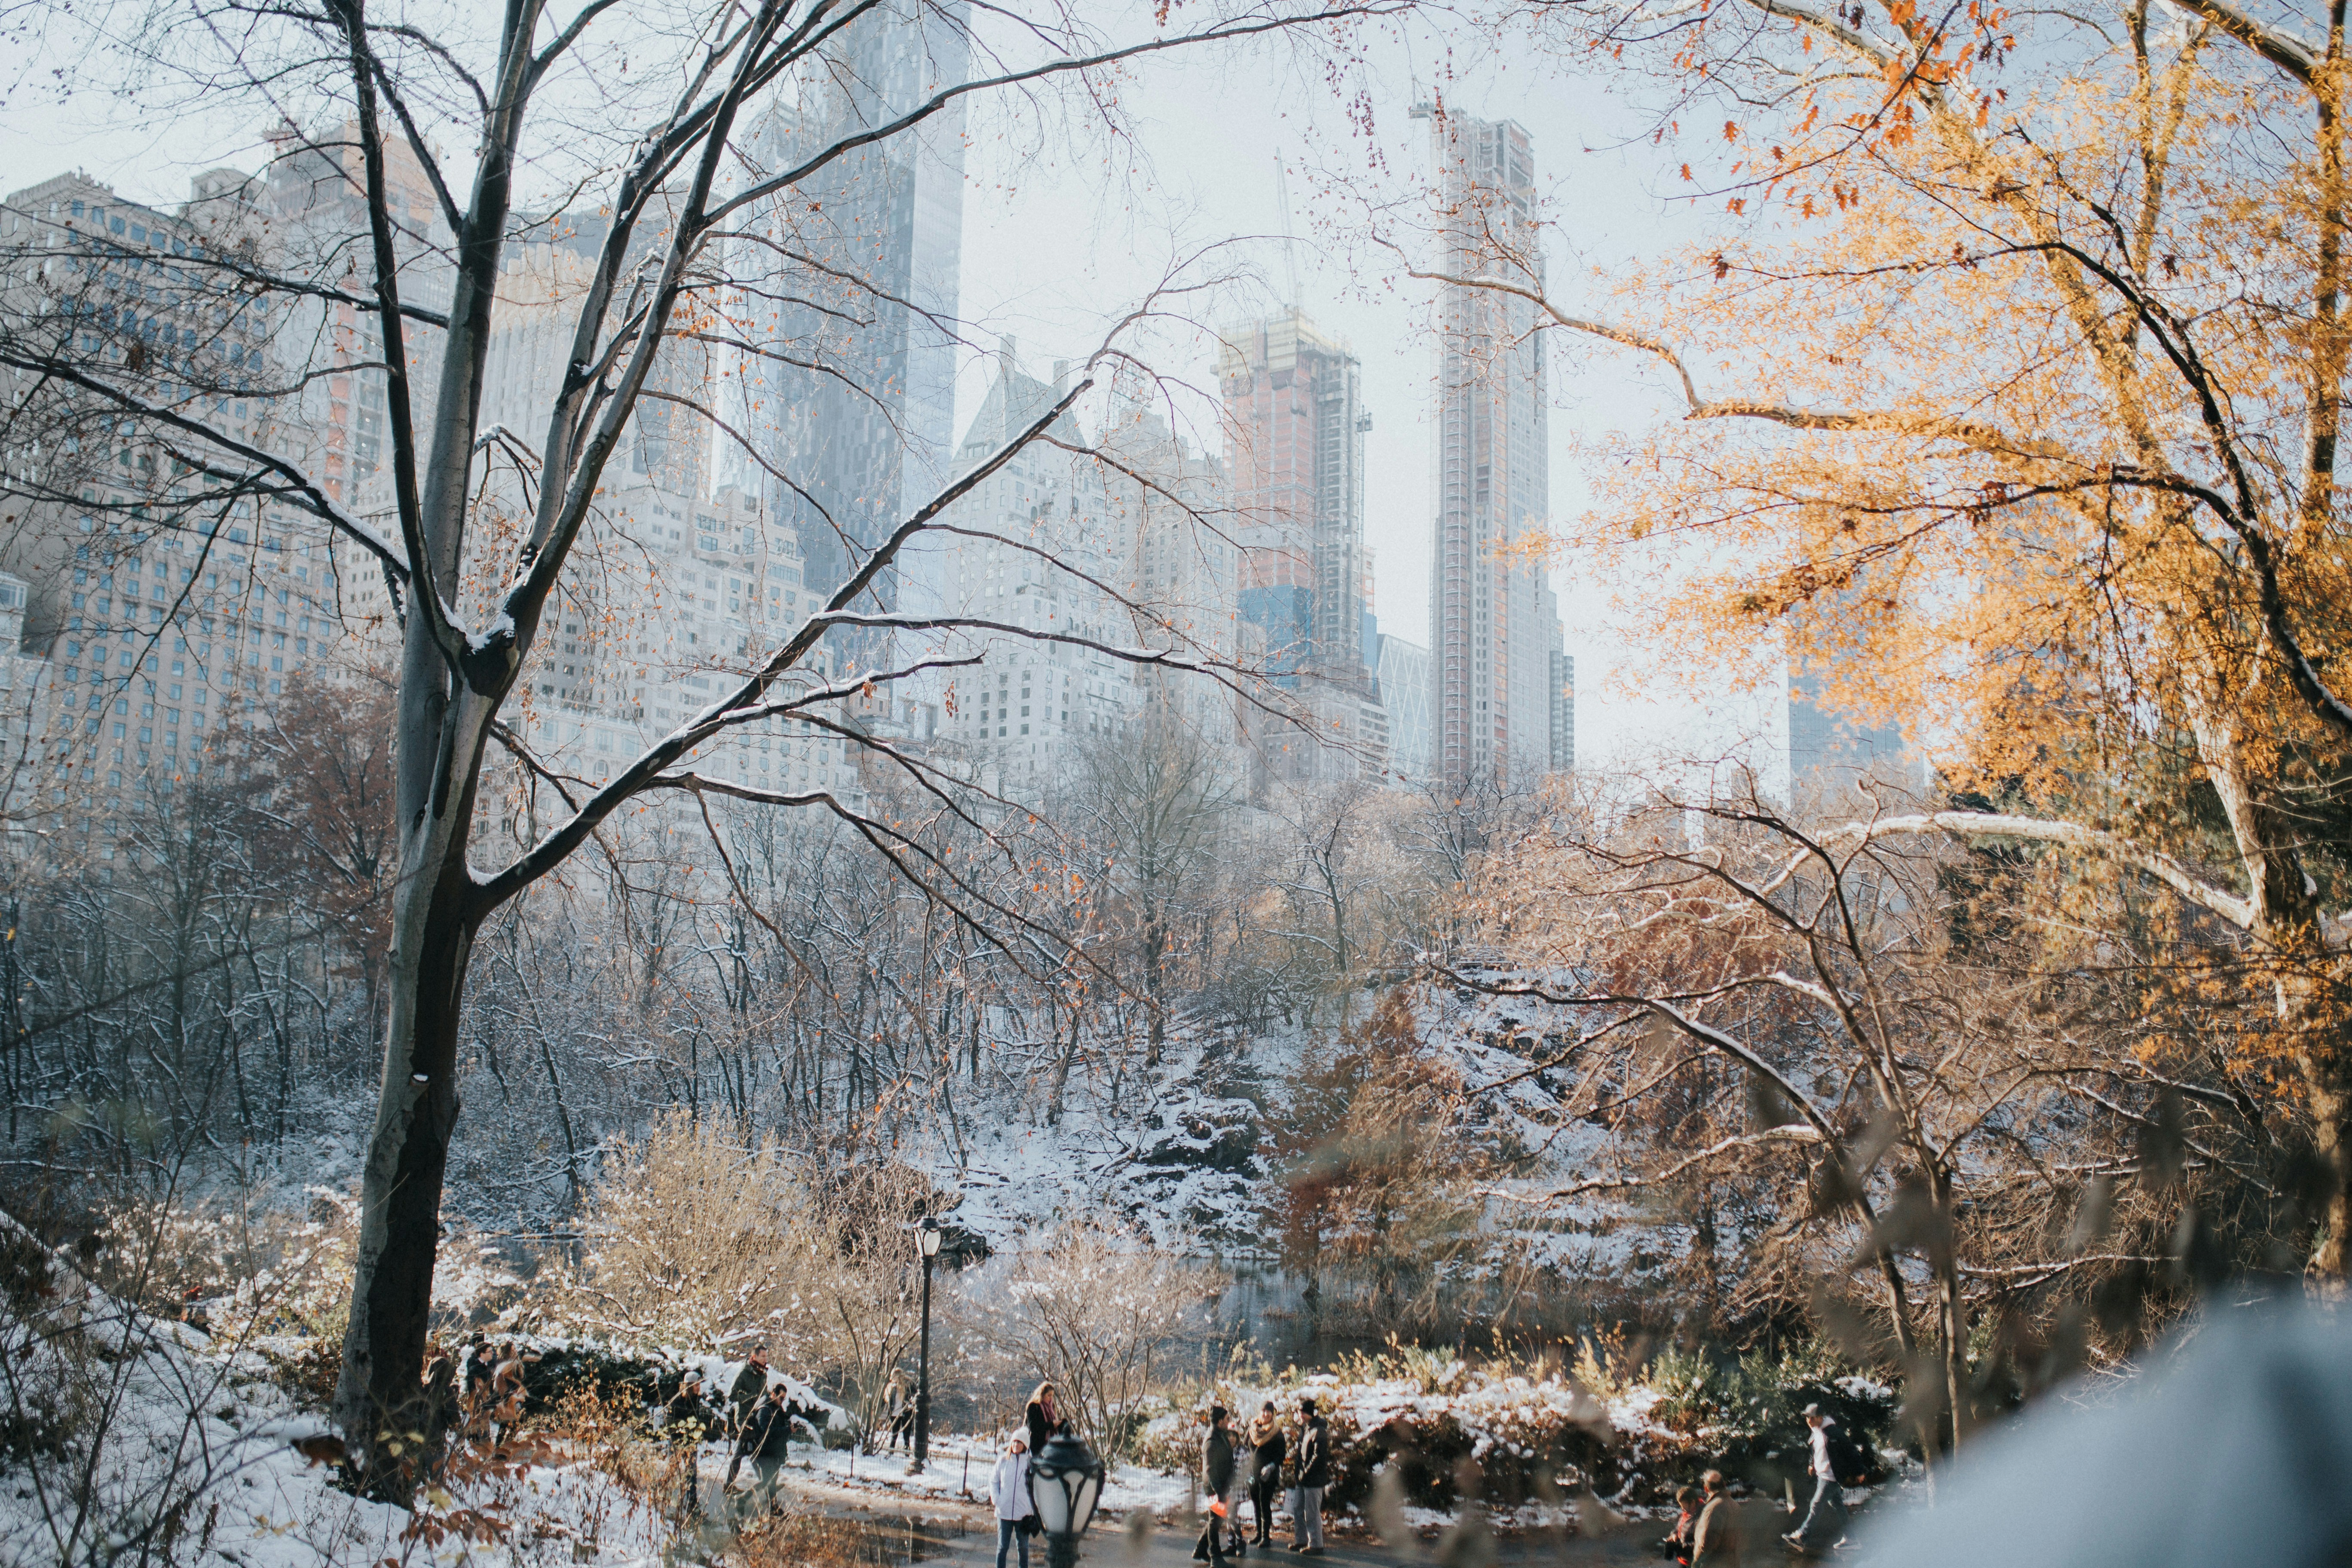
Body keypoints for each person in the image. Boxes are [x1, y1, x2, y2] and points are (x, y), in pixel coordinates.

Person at [1783, 1405, 1849, 1553]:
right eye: (1807, 1417)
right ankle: (1851, 1538)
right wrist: (1811, 1464)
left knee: (1816, 1505)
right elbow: (1816, 1449)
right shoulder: (1817, 1432)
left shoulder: (1832, 1433)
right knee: (1839, 1507)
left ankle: (1802, 1537)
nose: (1809, 1420)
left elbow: (1850, 1450)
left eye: (1812, 1417)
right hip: (1823, 1475)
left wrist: (1859, 1471)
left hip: (1830, 1477)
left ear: (1821, 1418)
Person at [735, 1385, 797, 1513]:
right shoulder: (765, 1409)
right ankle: (742, 1498)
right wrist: (788, 1430)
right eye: (780, 1398)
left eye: (784, 1399)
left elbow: (777, 1426)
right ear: (773, 1394)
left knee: (772, 1481)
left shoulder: (775, 1408)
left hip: (774, 1451)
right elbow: (766, 1431)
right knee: (766, 1480)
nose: (782, 1401)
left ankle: (774, 1508)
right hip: (763, 1451)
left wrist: (789, 1427)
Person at [1194, 1405, 1242, 1563]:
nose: (1230, 1422)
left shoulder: (1219, 1435)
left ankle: (1201, 1550)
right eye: (1227, 1419)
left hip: (1220, 1485)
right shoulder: (1211, 1441)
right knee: (1216, 1521)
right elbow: (1210, 1470)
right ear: (1220, 1420)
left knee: (1215, 1518)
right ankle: (1216, 1558)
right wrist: (1219, 1492)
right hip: (1215, 1487)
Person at [666, 1371, 716, 1518]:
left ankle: (692, 1508)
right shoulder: (677, 1401)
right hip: (678, 1443)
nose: (699, 1388)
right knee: (671, 1474)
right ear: (689, 1385)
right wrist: (684, 1432)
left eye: (700, 1384)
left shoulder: (696, 1399)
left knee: (691, 1476)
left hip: (691, 1444)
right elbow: (671, 1424)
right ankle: (660, 1501)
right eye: (696, 1385)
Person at [723, 1345, 773, 1488]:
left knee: (746, 1450)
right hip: (743, 1417)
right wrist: (751, 1397)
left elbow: (764, 1394)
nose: (766, 1359)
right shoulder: (743, 1373)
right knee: (752, 1447)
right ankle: (765, 1484)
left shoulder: (763, 1374)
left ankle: (729, 1484)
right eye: (763, 1356)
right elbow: (732, 1396)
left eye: (766, 1356)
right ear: (755, 1356)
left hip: (756, 1416)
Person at [991, 1432, 1037, 1568]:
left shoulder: (1031, 1464)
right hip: (1004, 1511)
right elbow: (994, 1481)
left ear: (1025, 1445)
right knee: (1002, 1547)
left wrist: (1031, 1507)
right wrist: (997, 1500)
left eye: (1019, 1442)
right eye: (1014, 1442)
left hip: (1023, 1514)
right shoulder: (1003, 1461)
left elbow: (1037, 1488)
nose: (1016, 1445)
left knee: (1023, 1548)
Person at [1291, 1398, 1329, 1556]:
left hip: (1314, 1479)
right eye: (1299, 1412)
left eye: (1303, 1413)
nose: (1300, 1416)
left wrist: (1305, 1472)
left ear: (1310, 1414)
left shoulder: (1319, 1430)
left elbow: (1318, 1456)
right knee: (1298, 1508)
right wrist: (1299, 1473)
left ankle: (1316, 1544)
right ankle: (1301, 1540)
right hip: (1302, 1477)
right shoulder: (1305, 1429)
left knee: (1312, 1512)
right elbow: (1301, 1453)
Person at [1246, 1403, 1286, 1548]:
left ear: (1273, 1414)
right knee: (1256, 1503)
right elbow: (1245, 1448)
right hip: (1252, 1475)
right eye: (1263, 1411)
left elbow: (1281, 1455)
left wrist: (1271, 1467)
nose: (1266, 1414)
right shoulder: (1252, 1430)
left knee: (1265, 1503)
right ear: (1259, 1412)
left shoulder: (1277, 1433)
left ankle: (1266, 1537)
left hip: (1268, 1475)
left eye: (1269, 1412)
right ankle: (1259, 1534)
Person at [1690, 1470, 1743, 1567]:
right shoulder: (1735, 1506)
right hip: (1733, 1562)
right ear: (1724, 1484)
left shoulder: (1713, 1508)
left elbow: (1706, 1543)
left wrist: (1696, 1563)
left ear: (1706, 1489)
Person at [1023, 1382, 1065, 1455]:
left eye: (1052, 1396)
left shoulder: (1051, 1407)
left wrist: (1060, 1424)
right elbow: (1033, 1427)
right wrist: (1051, 1425)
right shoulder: (1033, 1406)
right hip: (1037, 1445)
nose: (1051, 1398)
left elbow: (1052, 1427)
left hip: (1050, 1445)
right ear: (1042, 1394)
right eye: (1049, 1395)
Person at [1664, 1484, 1699, 1567]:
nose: (1683, 1509)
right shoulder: (1688, 1514)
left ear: (1693, 1503)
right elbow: (1679, 1527)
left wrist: (1680, 1547)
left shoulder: (1701, 1517)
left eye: (1684, 1507)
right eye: (1681, 1507)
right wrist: (1674, 1535)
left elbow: (1701, 1543)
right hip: (1684, 1560)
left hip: (1694, 1563)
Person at [883, 1373, 915, 1455]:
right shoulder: (891, 1387)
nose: (893, 1378)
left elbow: (914, 1394)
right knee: (894, 1434)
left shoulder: (907, 1387)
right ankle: (891, 1450)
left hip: (905, 1412)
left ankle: (907, 1450)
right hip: (895, 1413)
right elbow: (887, 1401)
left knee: (906, 1434)